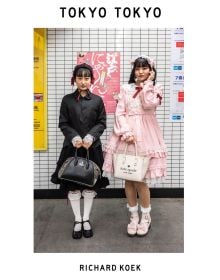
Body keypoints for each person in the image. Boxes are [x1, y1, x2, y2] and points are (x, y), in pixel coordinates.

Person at [103, 56, 167, 237]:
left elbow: (148, 104)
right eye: (138, 68)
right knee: (128, 177)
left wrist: (148, 84)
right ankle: (133, 216)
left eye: (144, 68)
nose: (140, 71)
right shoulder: (125, 88)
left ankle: (145, 216)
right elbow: (120, 112)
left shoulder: (156, 89)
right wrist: (125, 132)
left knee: (141, 179)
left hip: (146, 137)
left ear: (151, 70)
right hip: (126, 136)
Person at [51, 63, 109, 239]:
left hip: (93, 149)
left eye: (86, 78)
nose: (83, 82)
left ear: (91, 80)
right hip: (72, 149)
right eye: (80, 78)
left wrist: (91, 136)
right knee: (73, 188)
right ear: (74, 79)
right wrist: (74, 137)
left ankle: (86, 219)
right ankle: (77, 219)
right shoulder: (66, 100)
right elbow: (63, 123)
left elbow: (101, 122)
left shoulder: (98, 100)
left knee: (90, 187)